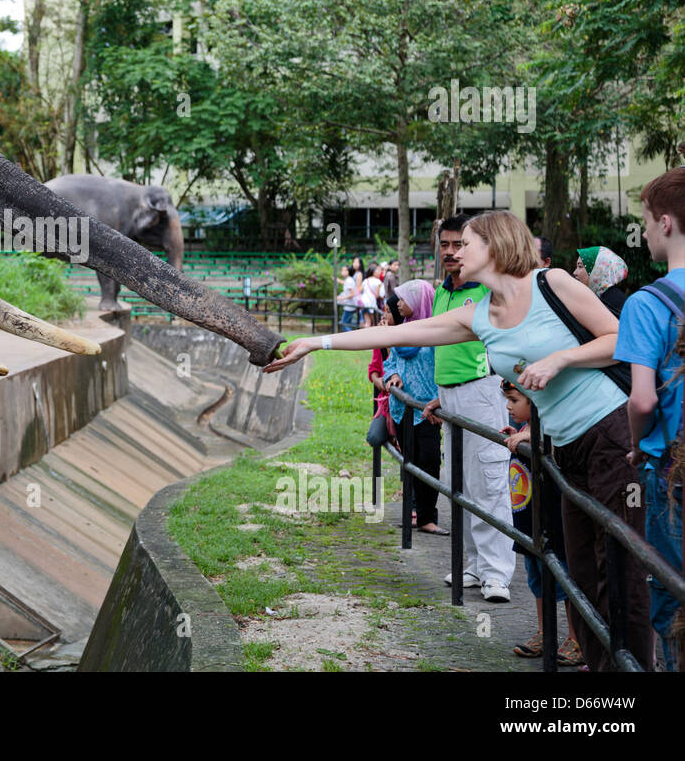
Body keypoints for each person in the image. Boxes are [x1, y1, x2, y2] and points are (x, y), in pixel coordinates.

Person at [267, 209, 653, 670]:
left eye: (464, 243)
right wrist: (316, 343)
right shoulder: (479, 316)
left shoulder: (551, 284)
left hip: (609, 432)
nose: (453, 252)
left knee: (620, 568)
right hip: (563, 448)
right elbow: (399, 331)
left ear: (493, 245)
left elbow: (619, 338)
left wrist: (561, 360)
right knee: (581, 574)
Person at [426, 214, 516, 602]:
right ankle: (473, 565)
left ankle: (498, 573)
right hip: (449, 396)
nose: (450, 252)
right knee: (459, 482)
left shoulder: (487, 290)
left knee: (490, 483)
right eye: (444, 244)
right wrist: (441, 394)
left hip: (482, 393)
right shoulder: (442, 291)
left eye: (457, 245)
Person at [616, 168, 685, 670]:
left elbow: (642, 401)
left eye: (644, 221)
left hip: (673, 470)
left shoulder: (647, 302)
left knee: (673, 592)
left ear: (665, 223)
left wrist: (639, 444)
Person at [500, 380, 582, 667]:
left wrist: (530, 438)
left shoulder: (550, 430)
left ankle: (576, 638)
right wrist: (520, 436)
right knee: (536, 575)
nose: (508, 406)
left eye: (514, 400)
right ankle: (545, 631)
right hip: (528, 520)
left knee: (563, 574)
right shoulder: (526, 431)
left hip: (552, 520)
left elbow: (550, 448)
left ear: (535, 403)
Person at [381, 281, 446, 535]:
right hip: (402, 410)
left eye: (404, 298)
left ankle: (428, 517)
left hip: (427, 411)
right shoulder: (402, 331)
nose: (398, 304)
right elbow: (391, 361)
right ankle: (413, 512)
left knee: (428, 462)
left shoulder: (435, 335)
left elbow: (444, 369)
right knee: (408, 462)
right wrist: (393, 375)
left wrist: (442, 399)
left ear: (419, 302)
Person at [574, 245, 628, 318]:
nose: (575, 273)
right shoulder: (593, 296)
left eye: (580, 267)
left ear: (597, 270)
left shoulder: (615, 303)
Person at [338, 267, 359, 332]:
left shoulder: (349, 280)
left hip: (350, 306)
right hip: (349, 306)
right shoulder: (348, 280)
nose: (342, 272)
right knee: (347, 324)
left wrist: (342, 298)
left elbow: (352, 294)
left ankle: (353, 339)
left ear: (348, 271)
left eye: (344, 270)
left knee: (343, 324)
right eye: (342, 270)